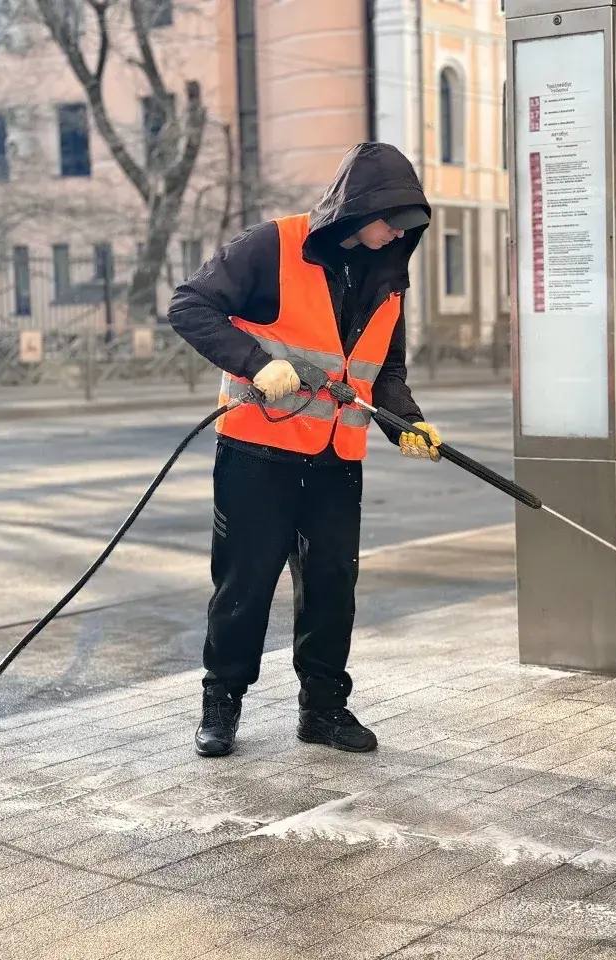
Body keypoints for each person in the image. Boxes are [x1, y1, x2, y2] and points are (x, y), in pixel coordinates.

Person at [168, 142, 442, 757]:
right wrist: (255, 363)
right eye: (388, 221)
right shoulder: (271, 247)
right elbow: (190, 305)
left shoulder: (388, 274)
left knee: (331, 589)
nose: (394, 235)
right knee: (244, 586)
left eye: (407, 227)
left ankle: (324, 710)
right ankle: (221, 706)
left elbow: (384, 372)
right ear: (355, 208)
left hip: (336, 459)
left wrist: (409, 425)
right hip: (258, 452)